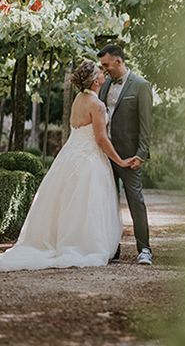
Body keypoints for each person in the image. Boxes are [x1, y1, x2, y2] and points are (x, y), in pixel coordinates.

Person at [0, 60, 133, 271]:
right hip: (90, 158)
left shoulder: (79, 99)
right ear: (94, 79)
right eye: (100, 72)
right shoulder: (96, 105)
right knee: (87, 203)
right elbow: (101, 139)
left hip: (71, 155)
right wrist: (120, 160)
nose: (103, 73)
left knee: (68, 201)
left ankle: (60, 240)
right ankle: (80, 244)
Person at [97, 44, 153, 265]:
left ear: (118, 61)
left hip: (129, 157)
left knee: (135, 201)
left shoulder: (141, 86)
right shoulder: (105, 85)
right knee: (106, 202)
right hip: (105, 155)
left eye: (106, 65)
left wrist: (141, 154)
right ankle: (112, 248)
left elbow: (146, 124)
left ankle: (145, 249)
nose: (104, 70)